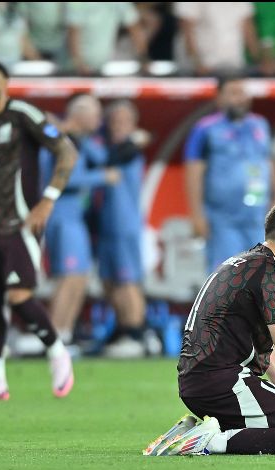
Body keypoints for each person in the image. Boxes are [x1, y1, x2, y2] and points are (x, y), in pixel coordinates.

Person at [144, 201, 275, 456]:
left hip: (197, 383)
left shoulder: (244, 262)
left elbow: (271, 355)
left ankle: (193, 433)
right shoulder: (270, 274)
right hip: (224, 383)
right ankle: (208, 442)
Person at [0, 60, 78, 401]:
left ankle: (57, 351)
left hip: (20, 223)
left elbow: (66, 150)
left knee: (18, 295)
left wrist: (48, 200)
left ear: (4, 83)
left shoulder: (21, 114)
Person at [40, 94, 120, 346]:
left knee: (80, 277)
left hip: (75, 216)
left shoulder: (77, 140)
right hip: (62, 215)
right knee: (69, 276)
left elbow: (102, 156)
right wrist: (102, 178)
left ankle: (64, 335)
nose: (100, 118)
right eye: (95, 113)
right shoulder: (60, 140)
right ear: (79, 114)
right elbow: (65, 180)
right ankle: (53, 340)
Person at [184, 73, 275, 272]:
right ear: (219, 98)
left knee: (260, 274)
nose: (239, 98)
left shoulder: (260, 125)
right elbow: (193, 172)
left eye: (242, 92)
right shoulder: (205, 129)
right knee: (227, 275)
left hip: (257, 215)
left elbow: (270, 161)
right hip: (223, 218)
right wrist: (196, 214)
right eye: (233, 93)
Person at [97, 100, 161, 358]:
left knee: (128, 280)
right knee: (109, 281)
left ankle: (138, 333)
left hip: (125, 224)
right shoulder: (114, 146)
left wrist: (137, 139)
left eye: (124, 121)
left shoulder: (130, 149)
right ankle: (124, 328)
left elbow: (115, 156)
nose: (118, 126)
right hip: (107, 225)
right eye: (114, 121)